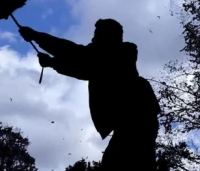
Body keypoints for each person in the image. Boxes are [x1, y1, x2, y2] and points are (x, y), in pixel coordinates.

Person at [19, 18, 161, 170]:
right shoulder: (113, 56)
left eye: (97, 34)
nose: (93, 38)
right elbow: (84, 67)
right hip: (135, 122)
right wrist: (52, 63)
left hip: (136, 121)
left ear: (108, 36)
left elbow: (79, 57)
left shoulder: (119, 53)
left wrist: (38, 37)